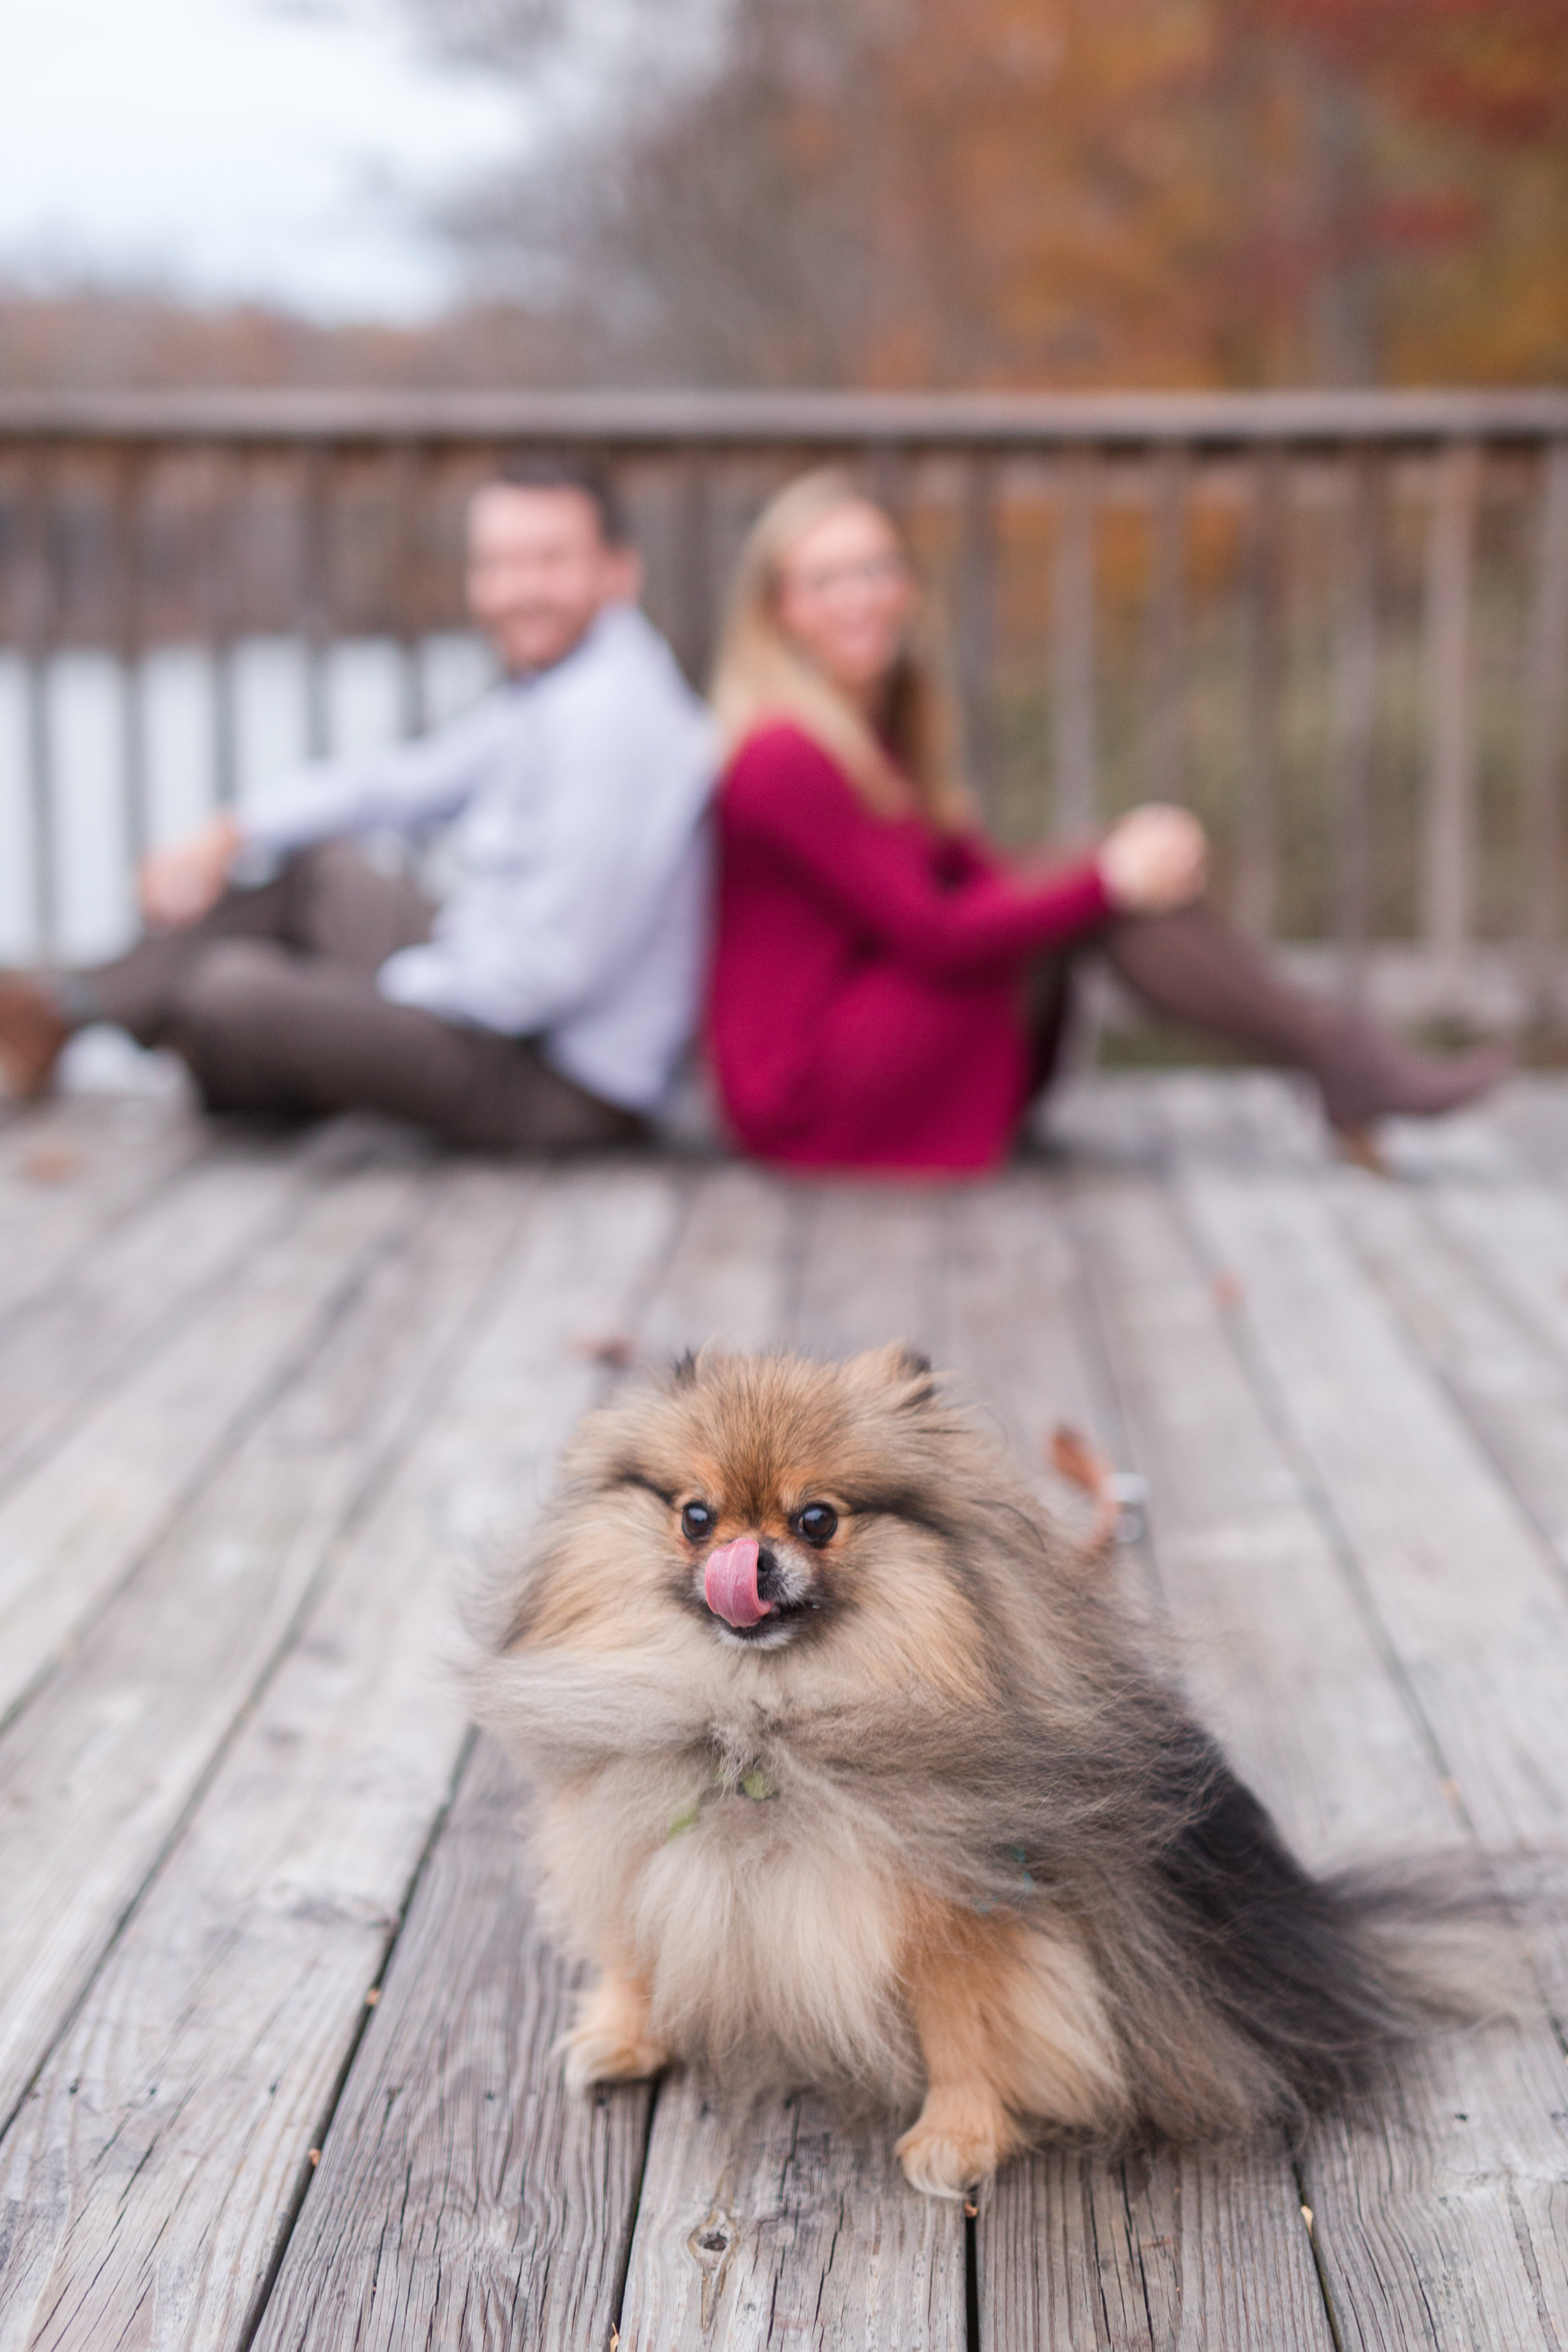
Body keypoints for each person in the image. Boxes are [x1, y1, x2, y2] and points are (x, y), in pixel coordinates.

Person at [707, 469, 1508, 1174]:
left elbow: (975, 873)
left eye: (876, 569)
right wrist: (1105, 880)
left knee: (1098, 879)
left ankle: (1341, 1055)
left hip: (865, 1033)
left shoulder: (873, 730)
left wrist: (1118, 864)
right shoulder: (785, 755)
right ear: (778, 609)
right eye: (824, 580)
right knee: (1097, 891)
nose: (859, 596)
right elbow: (934, 931)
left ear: (908, 587)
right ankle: (1341, 1055)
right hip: (806, 1092)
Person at [0, 458, 716, 1152]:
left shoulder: (614, 724)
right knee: (320, 872)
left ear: (619, 572)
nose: (516, 589)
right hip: (495, 994)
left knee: (228, 990)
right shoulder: (570, 682)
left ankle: (182, 1047)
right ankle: (58, 1015)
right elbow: (400, 783)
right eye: (496, 564)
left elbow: (554, 973)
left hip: (567, 1083)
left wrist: (391, 988)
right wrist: (229, 830)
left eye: (548, 561)